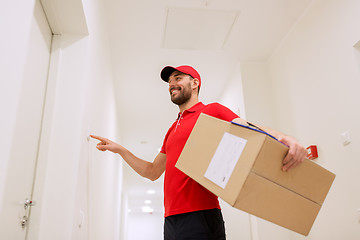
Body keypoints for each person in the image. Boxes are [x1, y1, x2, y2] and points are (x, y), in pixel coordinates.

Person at [91, 65, 307, 240]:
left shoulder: (211, 110)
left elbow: (247, 126)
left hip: (201, 215)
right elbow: (152, 171)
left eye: (177, 78)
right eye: (169, 82)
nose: (171, 84)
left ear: (195, 83)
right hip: (171, 220)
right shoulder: (171, 129)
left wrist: (283, 137)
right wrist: (120, 149)